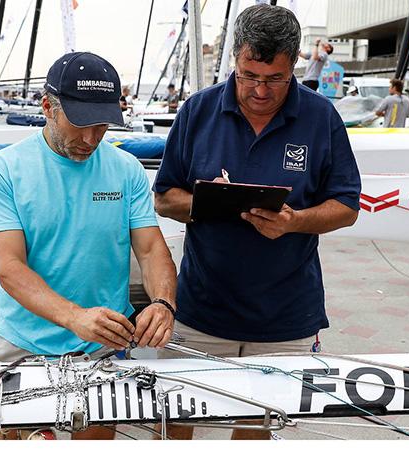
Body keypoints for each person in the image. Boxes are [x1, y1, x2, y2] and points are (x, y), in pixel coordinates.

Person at [153, 4, 360, 440]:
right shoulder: (198, 110)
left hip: (285, 317)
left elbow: (346, 205)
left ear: (295, 63)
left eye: (275, 79)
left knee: (257, 431)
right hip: (200, 311)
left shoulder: (321, 117)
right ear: (235, 61)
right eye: (249, 76)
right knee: (176, 426)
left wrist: (295, 221)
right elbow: (165, 197)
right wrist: (210, 203)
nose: (260, 91)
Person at [0, 51, 178, 440]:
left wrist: (163, 302)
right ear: (47, 107)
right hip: (25, 343)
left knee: (96, 444)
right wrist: (75, 318)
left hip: (103, 345)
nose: (91, 138)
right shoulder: (2, 170)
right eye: (81, 123)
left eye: (102, 124)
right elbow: (10, 267)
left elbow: (152, 250)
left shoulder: (126, 169)